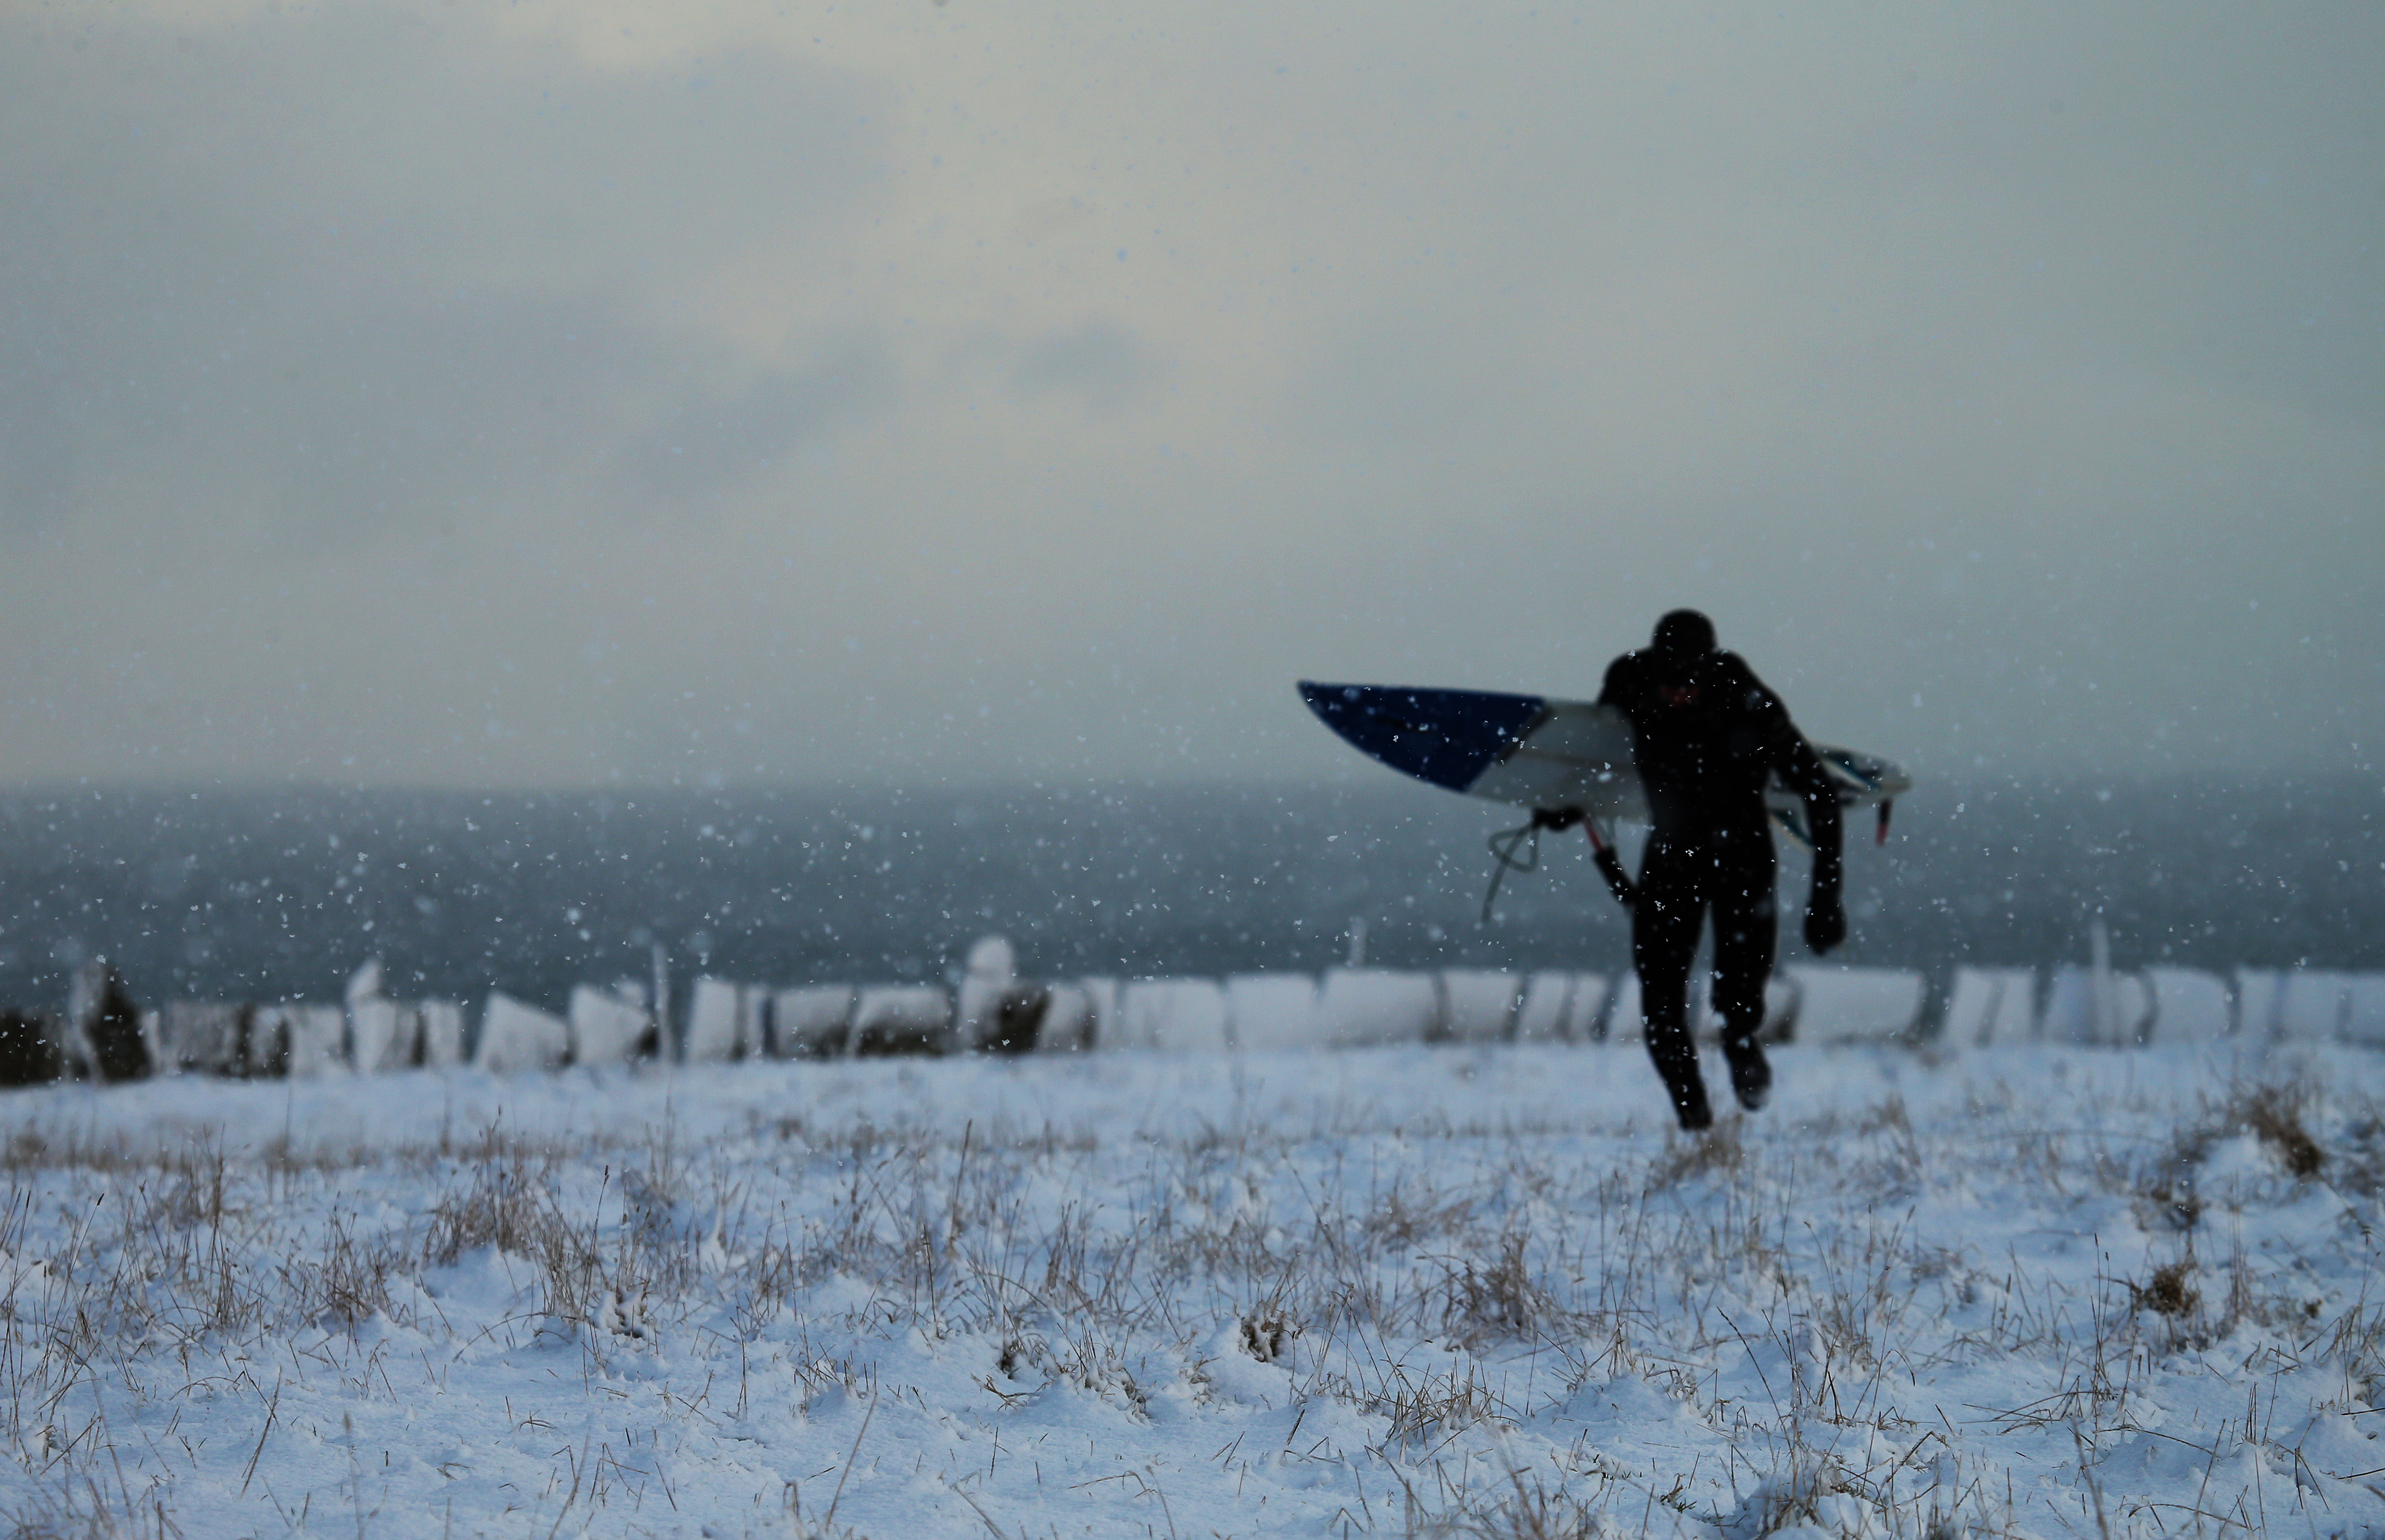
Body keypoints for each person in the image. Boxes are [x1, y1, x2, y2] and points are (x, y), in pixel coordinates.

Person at [1593, 609, 1845, 1132]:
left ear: (1707, 672)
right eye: (1667, 684)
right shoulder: (1630, 680)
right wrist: (1558, 804)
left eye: (1686, 685)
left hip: (1742, 856)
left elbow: (1819, 793)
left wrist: (1824, 899)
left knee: (1737, 999)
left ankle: (1740, 1045)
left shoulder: (1748, 702)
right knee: (1659, 1005)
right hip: (1670, 853)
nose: (1675, 695)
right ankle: (1695, 1123)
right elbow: (1587, 756)